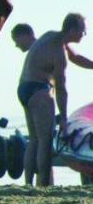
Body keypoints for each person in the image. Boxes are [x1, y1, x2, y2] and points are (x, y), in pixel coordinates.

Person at [18, 13, 92, 186]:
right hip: (39, 90)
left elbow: (77, 58)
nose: (84, 34)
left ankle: (28, 183)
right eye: (83, 30)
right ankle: (43, 184)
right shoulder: (59, 52)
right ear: (73, 30)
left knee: (34, 139)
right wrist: (65, 118)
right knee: (45, 140)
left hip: (24, 88)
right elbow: (61, 88)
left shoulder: (52, 37)